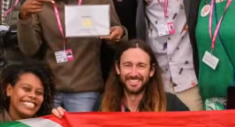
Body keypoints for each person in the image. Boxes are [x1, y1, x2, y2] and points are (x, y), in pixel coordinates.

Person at [17, 0, 124, 112]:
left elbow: (116, 39)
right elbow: (30, 50)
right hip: (50, 90)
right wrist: (24, 17)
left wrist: (119, 34)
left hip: (85, 91)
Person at [56, 39, 189, 114]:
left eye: (141, 66)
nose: (134, 73)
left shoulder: (171, 105)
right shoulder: (103, 104)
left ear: (152, 70)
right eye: (127, 65)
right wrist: (63, 121)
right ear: (118, 68)